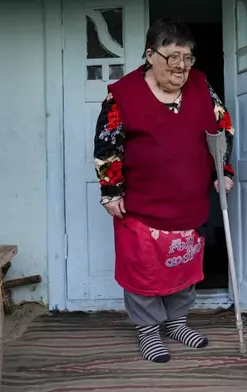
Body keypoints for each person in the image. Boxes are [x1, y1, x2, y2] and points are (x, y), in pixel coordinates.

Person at [93, 17, 236, 364]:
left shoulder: (202, 85)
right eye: (173, 57)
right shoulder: (123, 94)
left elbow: (222, 127)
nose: (181, 67)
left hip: (187, 202)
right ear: (150, 55)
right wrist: (112, 191)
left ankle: (177, 322)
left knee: (183, 266)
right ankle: (148, 331)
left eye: (188, 58)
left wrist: (224, 170)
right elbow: (107, 144)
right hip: (141, 206)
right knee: (143, 271)